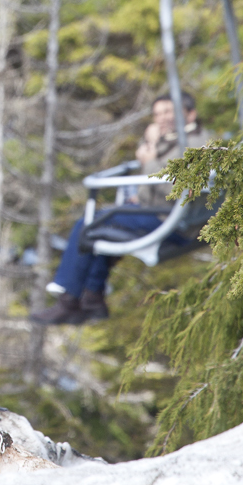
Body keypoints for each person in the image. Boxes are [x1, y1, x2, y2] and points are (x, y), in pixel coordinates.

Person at [30, 92, 209, 325]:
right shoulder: (179, 140)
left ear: (190, 113)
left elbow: (173, 189)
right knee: (101, 227)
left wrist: (151, 156)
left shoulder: (194, 144)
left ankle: (70, 298)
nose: (162, 118)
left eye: (168, 111)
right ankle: (92, 298)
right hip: (165, 214)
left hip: (172, 221)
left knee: (90, 224)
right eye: (157, 114)